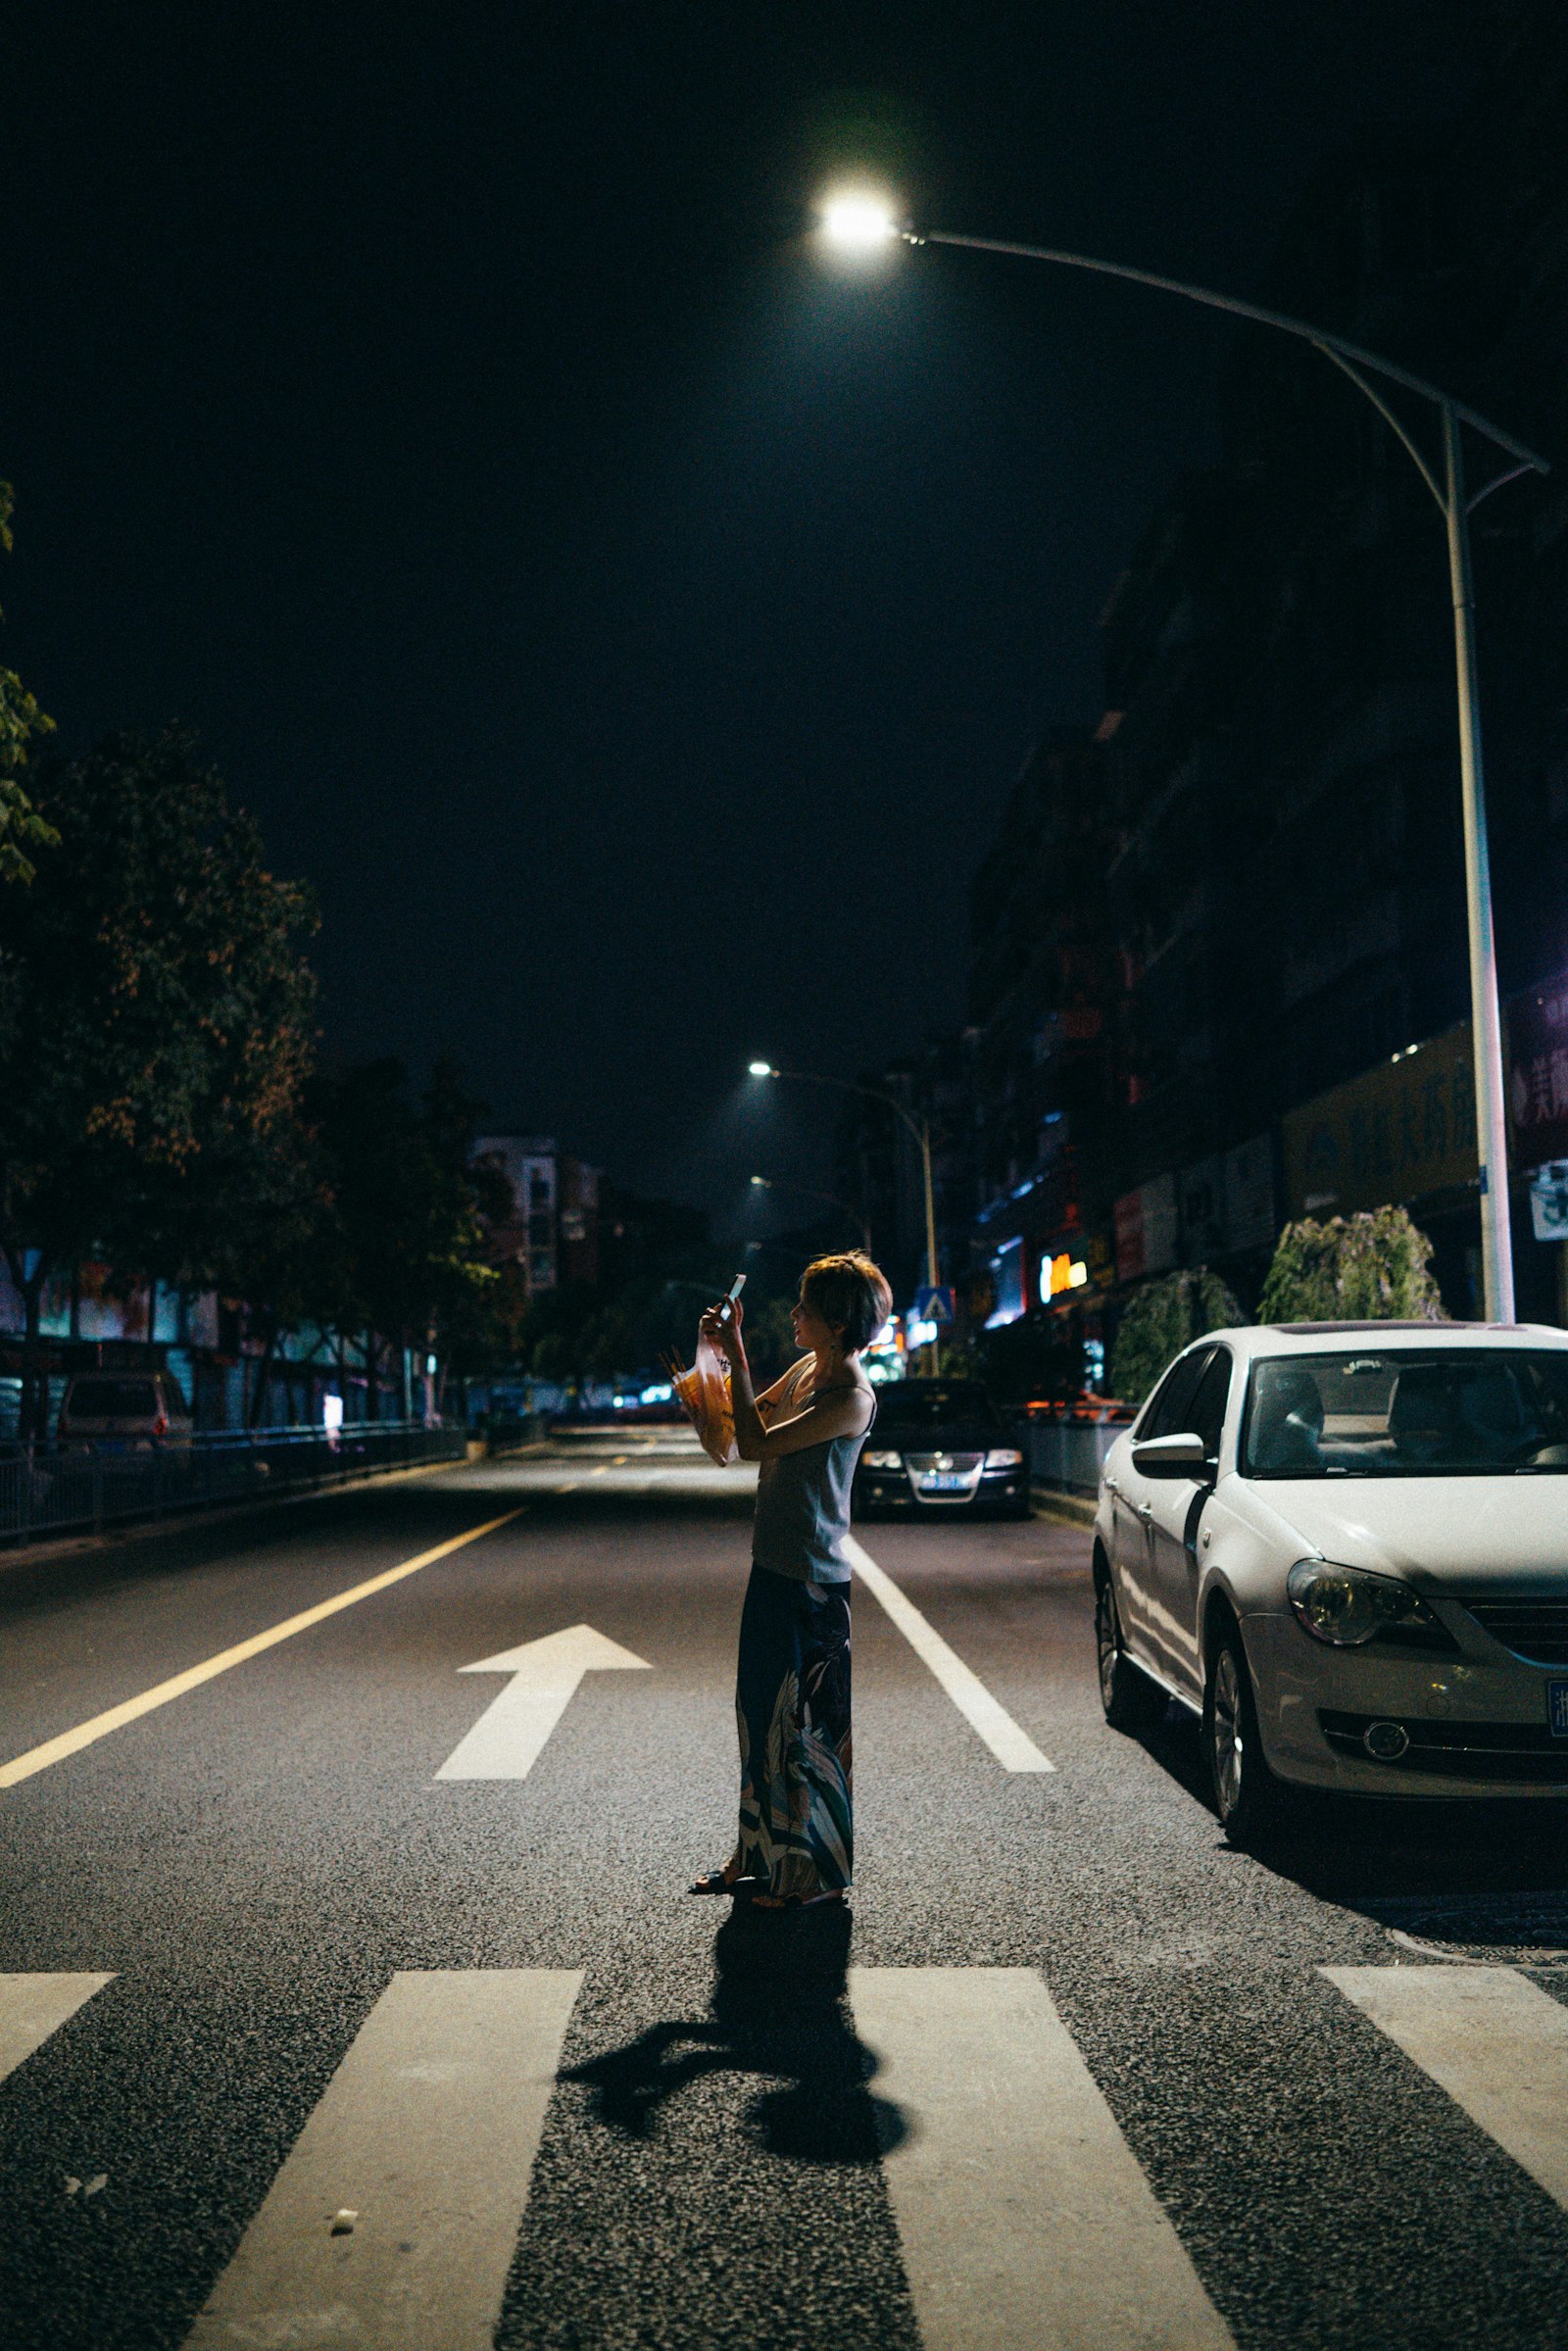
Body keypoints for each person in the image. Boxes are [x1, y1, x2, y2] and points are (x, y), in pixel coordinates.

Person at [690, 1250, 892, 1911]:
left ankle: (808, 1876)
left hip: (811, 1582)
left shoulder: (851, 1399)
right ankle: (754, 1857)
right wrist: (711, 1364)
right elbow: (744, 1417)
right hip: (772, 1564)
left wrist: (740, 1350)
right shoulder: (810, 1369)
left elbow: (757, 1441)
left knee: (804, 1734)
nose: (794, 1313)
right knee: (758, 1713)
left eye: (806, 1306)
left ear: (837, 1323)